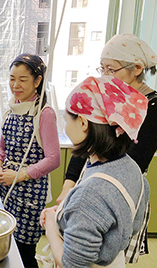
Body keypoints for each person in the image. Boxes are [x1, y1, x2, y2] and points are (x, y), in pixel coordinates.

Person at [40, 75, 150, 267]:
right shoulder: (131, 167)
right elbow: (121, 221)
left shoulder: (89, 195)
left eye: (66, 119)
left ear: (83, 122)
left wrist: (50, 224)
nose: (65, 126)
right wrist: (68, 212)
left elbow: (72, 265)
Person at [57, 34, 157, 204]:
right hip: (91, 180)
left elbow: (135, 161)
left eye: (111, 69)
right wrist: (69, 185)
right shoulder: (105, 97)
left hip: (119, 190)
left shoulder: (152, 106)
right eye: (102, 68)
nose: (105, 75)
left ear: (137, 69)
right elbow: (87, 140)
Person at [0, 53, 60, 268]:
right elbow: (2, 146)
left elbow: (53, 159)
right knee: (8, 246)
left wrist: (19, 175)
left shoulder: (44, 113)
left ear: (38, 81)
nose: (15, 85)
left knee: (25, 253)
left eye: (23, 80)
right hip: (7, 188)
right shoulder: (12, 107)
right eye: (12, 78)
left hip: (31, 194)